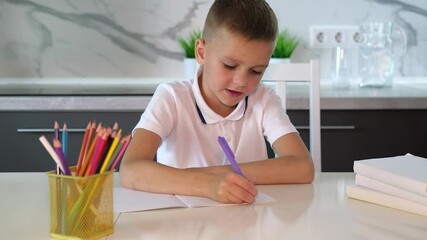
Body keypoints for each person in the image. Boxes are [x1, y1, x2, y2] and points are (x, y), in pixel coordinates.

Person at [120, 0, 314, 204]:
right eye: (230, 65)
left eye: (256, 71)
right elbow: (131, 170)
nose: (241, 82)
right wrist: (207, 184)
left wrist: (220, 174)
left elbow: (303, 167)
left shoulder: (263, 99)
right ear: (202, 53)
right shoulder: (171, 98)